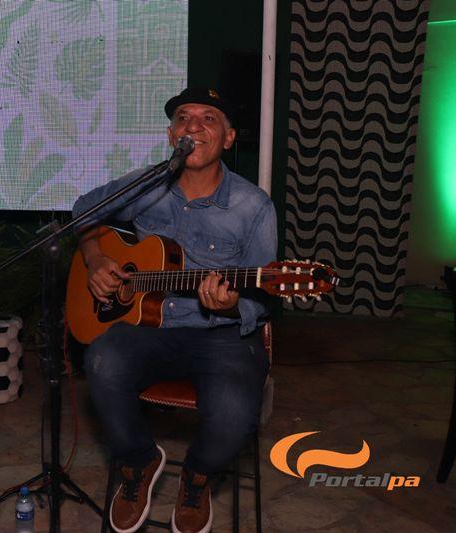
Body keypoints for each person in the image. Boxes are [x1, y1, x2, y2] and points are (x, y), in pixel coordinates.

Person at [71, 87, 276, 533]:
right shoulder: (147, 186)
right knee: (102, 361)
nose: (193, 126)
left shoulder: (253, 206)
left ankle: (197, 478)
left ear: (228, 138)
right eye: (184, 117)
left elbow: (263, 295)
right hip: (150, 326)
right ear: (171, 135)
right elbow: (84, 211)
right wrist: (96, 259)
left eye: (208, 118)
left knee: (235, 412)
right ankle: (139, 461)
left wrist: (232, 304)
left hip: (223, 334)